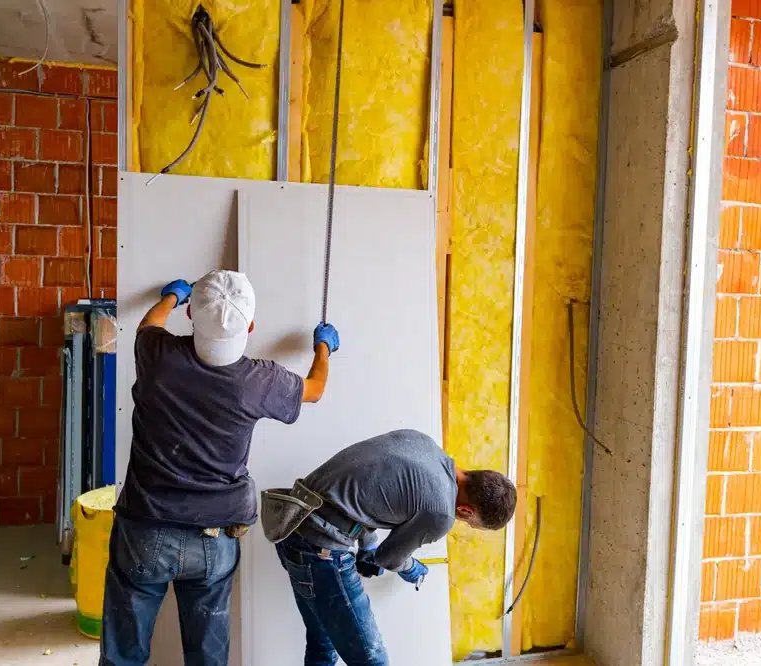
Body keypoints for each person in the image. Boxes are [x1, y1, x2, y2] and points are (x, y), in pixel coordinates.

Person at [101, 270, 340, 666]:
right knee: (207, 659)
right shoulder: (258, 381)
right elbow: (315, 389)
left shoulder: (157, 355)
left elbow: (147, 325)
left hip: (145, 530)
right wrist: (323, 347)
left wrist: (171, 298)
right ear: (251, 325)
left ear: (191, 315)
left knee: (123, 656)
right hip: (214, 538)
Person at [260, 429, 517, 666]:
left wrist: (367, 546)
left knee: (323, 644)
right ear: (466, 510)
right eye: (471, 523)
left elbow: (366, 490)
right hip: (320, 551)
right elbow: (389, 557)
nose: (465, 523)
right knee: (373, 660)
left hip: (293, 525)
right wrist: (412, 569)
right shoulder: (441, 512)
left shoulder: (423, 443)